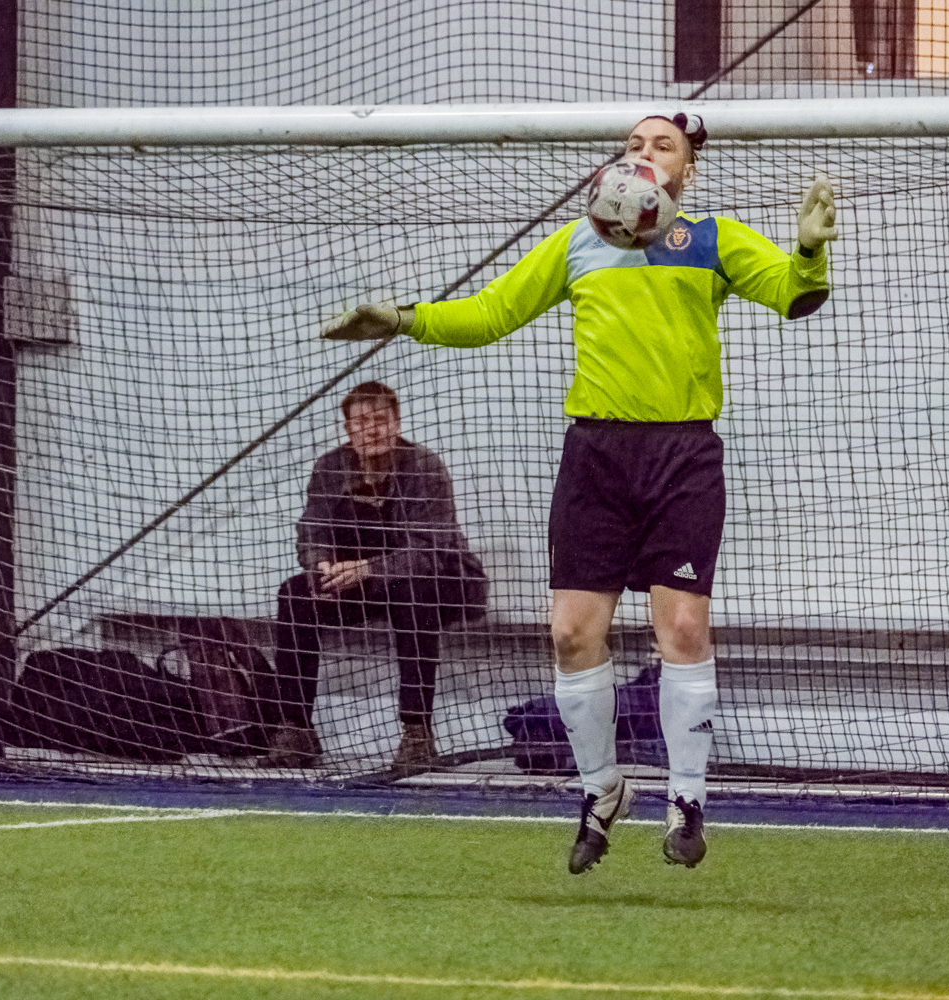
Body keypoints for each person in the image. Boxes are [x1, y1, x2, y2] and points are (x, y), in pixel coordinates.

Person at [324, 114, 836, 873]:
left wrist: (809, 251)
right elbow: (490, 313)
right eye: (634, 144)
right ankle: (602, 791)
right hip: (595, 457)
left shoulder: (713, 239)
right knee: (569, 634)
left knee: (683, 629)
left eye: (663, 145)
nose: (644, 153)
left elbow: (795, 296)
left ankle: (687, 799)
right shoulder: (576, 244)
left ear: (686, 170)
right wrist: (403, 319)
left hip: (683, 457)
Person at [265, 381, 487, 771]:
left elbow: (430, 550)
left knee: (412, 594)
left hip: (440, 580)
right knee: (296, 594)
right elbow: (312, 530)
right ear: (348, 430)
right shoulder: (330, 468)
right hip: (364, 579)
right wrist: (322, 564)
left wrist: (368, 569)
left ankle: (417, 733)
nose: (371, 430)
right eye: (361, 422)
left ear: (396, 423)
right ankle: (296, 730)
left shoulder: (424, 467)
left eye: (380, 420)